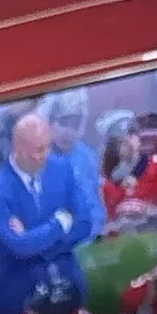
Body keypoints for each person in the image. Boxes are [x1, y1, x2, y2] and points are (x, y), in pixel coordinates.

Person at [0, 110, 87, 314]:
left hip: (70, 289)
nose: (44, 155)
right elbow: (19, 247)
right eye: (37, 150)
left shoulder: (62, 168)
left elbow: (84, 223)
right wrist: (60, 222)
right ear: (17, 148)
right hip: (20, 301)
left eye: (47, 146)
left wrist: (33, 237)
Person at [42, 91, 108, 246]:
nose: (68, 132)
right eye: (63, 123)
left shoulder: (87, 155)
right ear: (50, 123)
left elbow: (98, 196)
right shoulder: (38, 158)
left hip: (96, 238)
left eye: (75, 125)